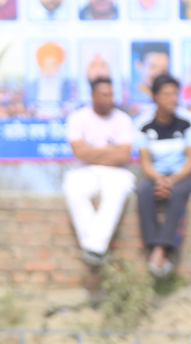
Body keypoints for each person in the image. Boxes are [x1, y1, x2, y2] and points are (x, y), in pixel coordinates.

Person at [63, 77, 135, 269]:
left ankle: (93, 247)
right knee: (73, 190)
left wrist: (92, 151)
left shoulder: (123, 119)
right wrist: (110, 150)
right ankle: (95, 247)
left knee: (116, 192)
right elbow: (79, 152)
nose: (108, 99)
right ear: (93, 96)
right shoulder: (77, 117)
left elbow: (123, 155)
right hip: (84, 170)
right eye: (104, 95)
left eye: (111, 95)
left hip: (116, 171)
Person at [134, 74, 191, 278]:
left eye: (174, 94)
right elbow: (145, 163)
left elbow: (190, 161)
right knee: (143, 191)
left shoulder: (188, 121)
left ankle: (160, 250)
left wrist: (171, 181)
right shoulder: (143, 124)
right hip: (154, 175)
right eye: (166, 94)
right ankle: (152, 245)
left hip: (181, 176)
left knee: (179, 193)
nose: (172, 99)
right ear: (155, 96)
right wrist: (159, 179)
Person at [27, 41, 72, 118]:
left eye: (53, 65)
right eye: (45, 65)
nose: (49, 69)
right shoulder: (32, 86)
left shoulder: (67, 85)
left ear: (59, 66)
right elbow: (29, 107)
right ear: (40, 67)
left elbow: (70, 106)